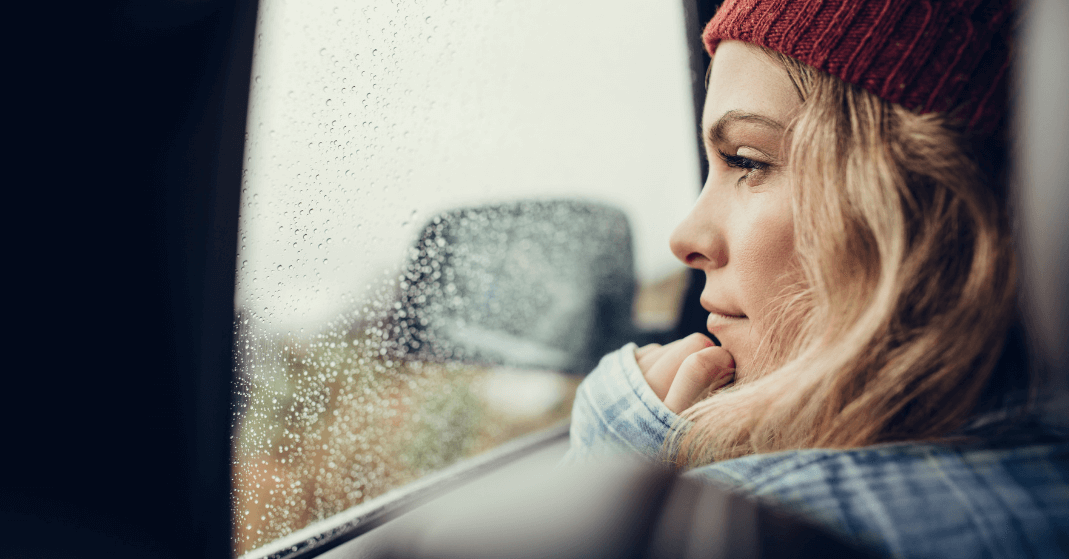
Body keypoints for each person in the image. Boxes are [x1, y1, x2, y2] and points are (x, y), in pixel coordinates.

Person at [563, 0, 1068, 557]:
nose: (685, 238)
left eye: (748, 162)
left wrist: (622, 474)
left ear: (916, 201)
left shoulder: (764, 524)